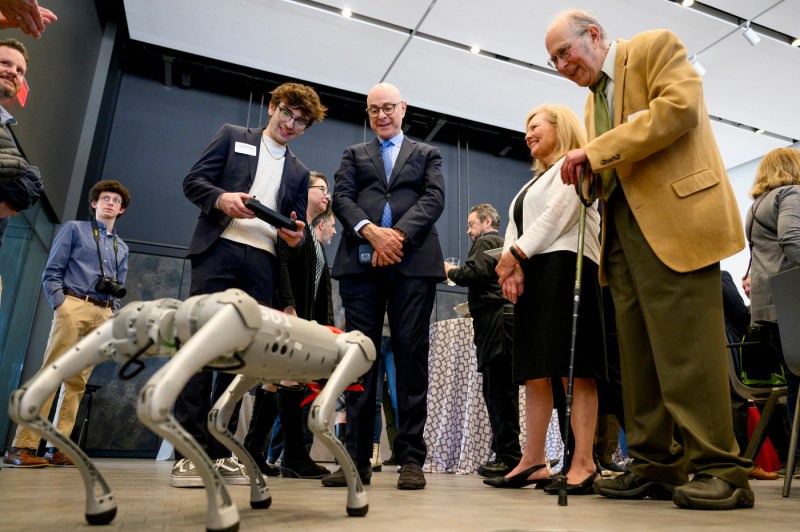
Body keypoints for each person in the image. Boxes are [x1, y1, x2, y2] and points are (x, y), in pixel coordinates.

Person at [546, 9, 754, 509]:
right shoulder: (592, 99)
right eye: (552, 59)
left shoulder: (654, 46)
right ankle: (654, 465)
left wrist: (596, 153)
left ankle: (721, 469)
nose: (559, 65)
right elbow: (617, 164)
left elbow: (679, 107)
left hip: (676, 222)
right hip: (623, 235)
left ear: (593, 35)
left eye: (563, 52)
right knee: (636, 359)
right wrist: (592, 178)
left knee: (689, 351)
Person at [173, 82, 326, 488]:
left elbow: (291, 224)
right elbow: (193, 182)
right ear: (273, 107)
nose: (291, 124)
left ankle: (220, 450)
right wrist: (222, 199)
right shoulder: (231, 136)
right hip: (218, 251)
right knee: (200, 349)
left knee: (238, 360)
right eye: (287, 113)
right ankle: (188, 453)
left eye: (301, 121)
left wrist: (295, 234)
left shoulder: (298, 171)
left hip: (262, 262)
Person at [323, 82, 445, 490]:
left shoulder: (428, 154)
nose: (382, 115)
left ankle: (411, 460)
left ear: (404, 108)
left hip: (414, 265)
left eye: (388, 107)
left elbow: (433, 200)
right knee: (359, 359)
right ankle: (354, 459)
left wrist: (397, 237)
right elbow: (341, 198)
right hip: (362, 266)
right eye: (374, 110)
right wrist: (371, 231)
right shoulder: (354, 155)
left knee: (412, 359)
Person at [485, 104, 602, 495]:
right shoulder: (530, 183)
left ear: (560, 127)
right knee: (535, 371)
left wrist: (514, 257)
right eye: (525, 129)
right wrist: (513, 267)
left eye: (534, 126)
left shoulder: (576, 166)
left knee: (575, 369)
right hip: (534, 271)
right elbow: (516, 228)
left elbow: (557, 216)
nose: (527, 134)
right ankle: (534, 460)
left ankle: (584, 462)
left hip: (567, 266)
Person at [3, 179, 130, 467]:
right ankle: (21, 447)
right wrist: (61, 303)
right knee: (52, 372)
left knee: (77, 381)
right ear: (94, 204)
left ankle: (57, 448)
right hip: (74, 304)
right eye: (105, 199)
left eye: (116, 201)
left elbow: (120, 284)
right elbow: (52, 271)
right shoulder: (74, 229)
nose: (110, 203)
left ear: (121, 210)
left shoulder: (122, 247)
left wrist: (113, 312)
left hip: (103, 312)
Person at [243, 171, 334, 480]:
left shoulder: (312, 234)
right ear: (303, 190)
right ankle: (294, 455)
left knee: (272, 379)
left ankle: (253, 450)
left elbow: (321, 288)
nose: (327, 195)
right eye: (321, 189)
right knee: (290, 378)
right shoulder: (292, 225)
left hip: (304, 317)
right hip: (287, 312)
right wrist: (288, 306)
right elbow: (280, 264)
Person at [444, 203, 521, 478]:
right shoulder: (505, 244)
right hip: (507, 321)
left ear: (487, 221)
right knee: (503, 391)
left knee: (498, 392)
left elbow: (472, 275)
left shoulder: (486, 241)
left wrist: (449, 270)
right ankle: (505, 452)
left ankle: (508, 456)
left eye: (471, 224)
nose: (468, 231)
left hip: (494, 324)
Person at [745, 147, 800, 477]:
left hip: (769, 310)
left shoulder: (756, 206)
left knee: (796, 382)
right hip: (793, 303)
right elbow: (792, 240)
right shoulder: (792, 192)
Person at [0, 38, 43, 300]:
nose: (13, 72)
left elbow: (27, 189)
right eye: (5, 62)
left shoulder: (7, 132)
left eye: (20, 71)